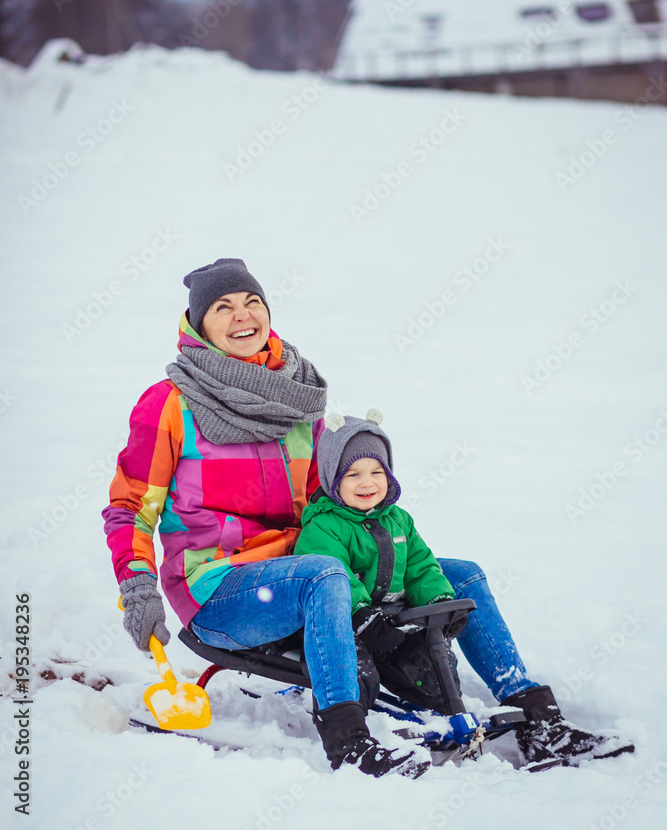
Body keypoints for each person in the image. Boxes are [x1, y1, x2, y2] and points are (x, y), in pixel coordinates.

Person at [102, 258, 428, 778]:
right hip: (219, 585)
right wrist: (137, 584)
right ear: (198, 325)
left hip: (307, 571)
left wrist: (391, 546)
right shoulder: (170, 404)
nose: (242, 315)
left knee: (454, 573)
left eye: (253, 302)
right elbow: (131, 507)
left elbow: (331, 500)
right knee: (323, 573)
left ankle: (532, 713)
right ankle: (348, 741)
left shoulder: (299, 400)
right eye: (223, 307)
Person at [295, 411, 635, 768]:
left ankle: (538, 721)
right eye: (353, 474)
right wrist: (362, 615)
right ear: (333, 478)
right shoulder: (324, 527)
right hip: (352, 623)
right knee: (359, 678)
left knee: (437, 684)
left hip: (394, 620)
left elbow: (421, 567)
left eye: (377, 472)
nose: (367, 483)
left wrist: (442, 600)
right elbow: (335, 578)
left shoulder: (398, 520)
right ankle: (358, 737)